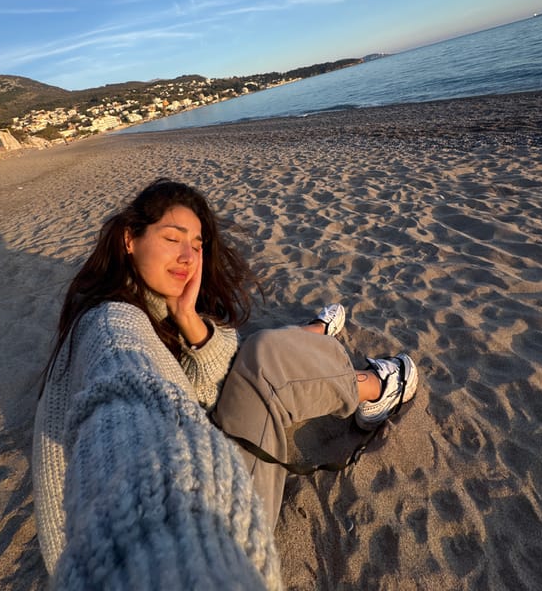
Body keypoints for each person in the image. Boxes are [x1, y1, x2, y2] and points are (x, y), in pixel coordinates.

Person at [32, 178, 418, 590]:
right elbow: (127, 406)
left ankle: (311, 333)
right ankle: (371, 388)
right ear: (130, 239)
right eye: (172, 238)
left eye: (197, 245)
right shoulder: (114, 325)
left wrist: (187, 318)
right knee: (268, 359)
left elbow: (206, 388)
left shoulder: (127, 305)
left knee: (255, 354)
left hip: (167, 531)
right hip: (199, 543)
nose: (187, 256)